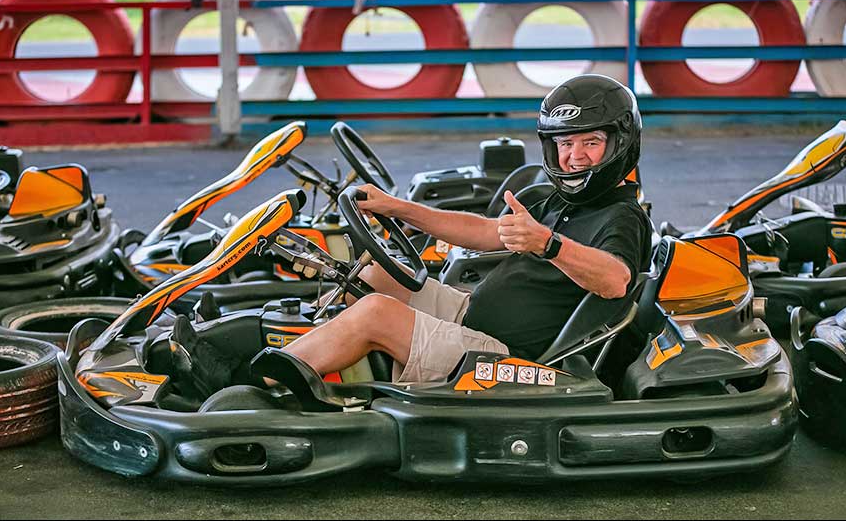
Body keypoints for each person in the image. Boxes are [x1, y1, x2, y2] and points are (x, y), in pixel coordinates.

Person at [277, 73, 653, 383]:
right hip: (470, 314)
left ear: (620, 144)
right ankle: (310, 355)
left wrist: (547, 244)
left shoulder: (622, 215)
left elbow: (615, 279)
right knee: (374, 276)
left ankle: (265, 382)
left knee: (376, 311)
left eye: (591, 142)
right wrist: (398, 208)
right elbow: (483, 232)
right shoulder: (565, 201)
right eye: (565, 143)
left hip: (507, 361)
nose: (575, 156)